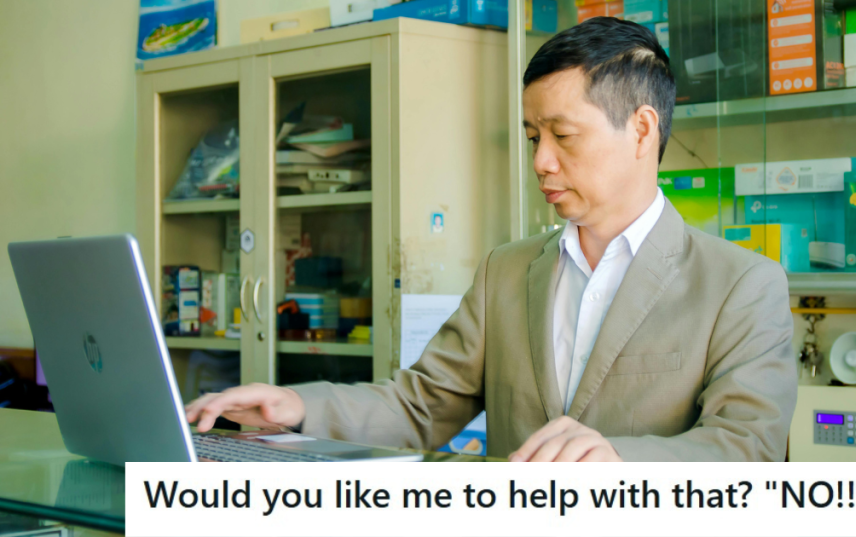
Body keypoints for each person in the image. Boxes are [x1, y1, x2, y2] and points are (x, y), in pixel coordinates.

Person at [186, 18, 797, 462]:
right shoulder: (507, 271)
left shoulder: (740, 284)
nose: (542, 162)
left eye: (563, 135)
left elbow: (747, 447)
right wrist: (295, 407)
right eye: (534, 137)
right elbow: (420, 404)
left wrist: (615, 462)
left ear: (641, 130)